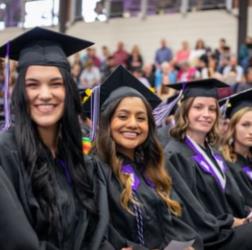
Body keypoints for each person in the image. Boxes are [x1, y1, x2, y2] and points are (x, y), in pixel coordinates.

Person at [0, 27, 114, 250]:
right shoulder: (5, 155)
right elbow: (18, 243)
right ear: (21, 92)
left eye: (55, 83)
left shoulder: (80, 159)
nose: (44, 94)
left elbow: (96, 233)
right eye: (33, 85)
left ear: (69, 91)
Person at [84, 66, 203, 250]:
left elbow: (176, 222)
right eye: (122, 116)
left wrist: (186, 246)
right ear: (107, 122)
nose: (133, 124)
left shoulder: (153, 168)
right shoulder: (95, 169)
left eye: (141, 118)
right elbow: (102, 233)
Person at [164, 79, 249, 221]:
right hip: (211, 235)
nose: (206, 114)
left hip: (232, 227)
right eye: (198, 107)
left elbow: (232, 198)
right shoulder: (175, 155)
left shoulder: (214, 153)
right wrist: (231, 223)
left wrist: (247, 215)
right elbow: (191, 209)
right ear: (185, 111)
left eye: (212, 109)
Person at [220, 88, 252, 207]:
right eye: (245, 125)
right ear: (232, 127)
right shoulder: (225, 164)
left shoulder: (249, 158)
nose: (251, 131)